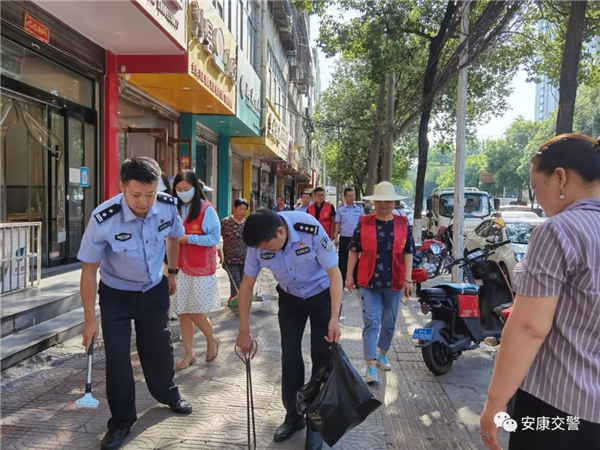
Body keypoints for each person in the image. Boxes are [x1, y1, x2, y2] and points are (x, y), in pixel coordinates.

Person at [480, 134, 600, 450]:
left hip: (559, 405)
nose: (539, 199)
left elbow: (529, 327)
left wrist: (495, 402)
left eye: (536, 187)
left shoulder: (559, 230)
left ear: (560, 177)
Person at [77, 157, 192, 450]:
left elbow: (174, 237)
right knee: (117, 358)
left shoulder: (167, 205)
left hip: (153, 289)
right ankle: (121, 421)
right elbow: (88, 271)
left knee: (160, 348)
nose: (144, 202)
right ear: (122, 187)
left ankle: (167, 393)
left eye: (150, 194)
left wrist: (172, 272)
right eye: (136, 195)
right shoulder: (104, 218)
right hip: (116, 294)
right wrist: (90, 320)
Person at [235, 209, 342, 450]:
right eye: (263, 249)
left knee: (322, 359)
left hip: (321, 295)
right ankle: (293, 417)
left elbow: (334, 273)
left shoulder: (309, 229)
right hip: (290, 297)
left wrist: (335, 318)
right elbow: (247, 285)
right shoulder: (258, 242)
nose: (267, 251)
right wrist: (243, 329)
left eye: (269, 247)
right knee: (290, 357)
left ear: (281, 232)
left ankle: (316, 424)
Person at [345, 181, 415, 384]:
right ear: (374, 202)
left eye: (388, 201)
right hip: (369, 280)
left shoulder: (403, 223)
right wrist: (349, 276)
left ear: (394, 203)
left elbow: (408, 251)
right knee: (371, 321)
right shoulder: (364, 222)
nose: (384, 204)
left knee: (390, 322)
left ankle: (382, 353)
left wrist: (408, 279)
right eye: (380, 201)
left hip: (395, 280)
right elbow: (354, 250)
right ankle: (370, 365)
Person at [172, 170, 221, 370]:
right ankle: (188, 354)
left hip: (199, 266)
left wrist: (189, 239)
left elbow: (214, 238)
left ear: (195, 188)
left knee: (194, 310)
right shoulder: (173, 208)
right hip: (178, 267)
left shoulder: (205, 209)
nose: (182, 192)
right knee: (183, 311)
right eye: (178, 189)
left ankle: (211, 338)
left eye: (186, 189)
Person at [334, 187, 364, 286]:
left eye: (353, 196)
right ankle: (342, 281)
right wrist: (336, 237)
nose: (351, 198)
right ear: (345, 196)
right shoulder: (340, 209)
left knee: (357, 259)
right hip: (344, 237)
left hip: (356, 238)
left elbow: (363, 223)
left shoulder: (359, 209)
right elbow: (337, 223)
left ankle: (356, 280)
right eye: (349, 196)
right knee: (343, 259)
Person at [221, 198, 249, 303]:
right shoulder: (225, 222)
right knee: (236, 282)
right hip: (230, 259)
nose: (242, 212)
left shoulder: (247, 224)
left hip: (244, 259)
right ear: (234, 208)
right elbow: (216, 237)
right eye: (240, 209)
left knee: (242, 283)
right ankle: (239, 304)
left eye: (244, 210)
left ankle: (233, 300)